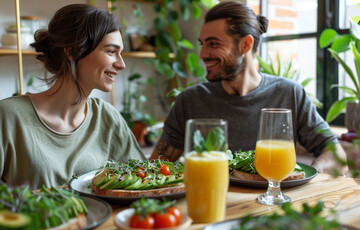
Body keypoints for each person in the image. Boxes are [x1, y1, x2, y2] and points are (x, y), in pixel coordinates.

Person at [150, 1, 347, 174]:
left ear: (245, 45)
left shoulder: (289, 93)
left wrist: (304, 181)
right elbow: (156, 168)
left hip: (272, 206)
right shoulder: (190, 100)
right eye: (202, 44)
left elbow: (334, 153)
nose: (202, 54)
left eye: (213, 43)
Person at [0, 4, 146, 190]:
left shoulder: (108, 118)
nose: (121, 64)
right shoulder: (8, 117)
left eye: (121, 53)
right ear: (72, 51)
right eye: (111, 51)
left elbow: (143, 182)